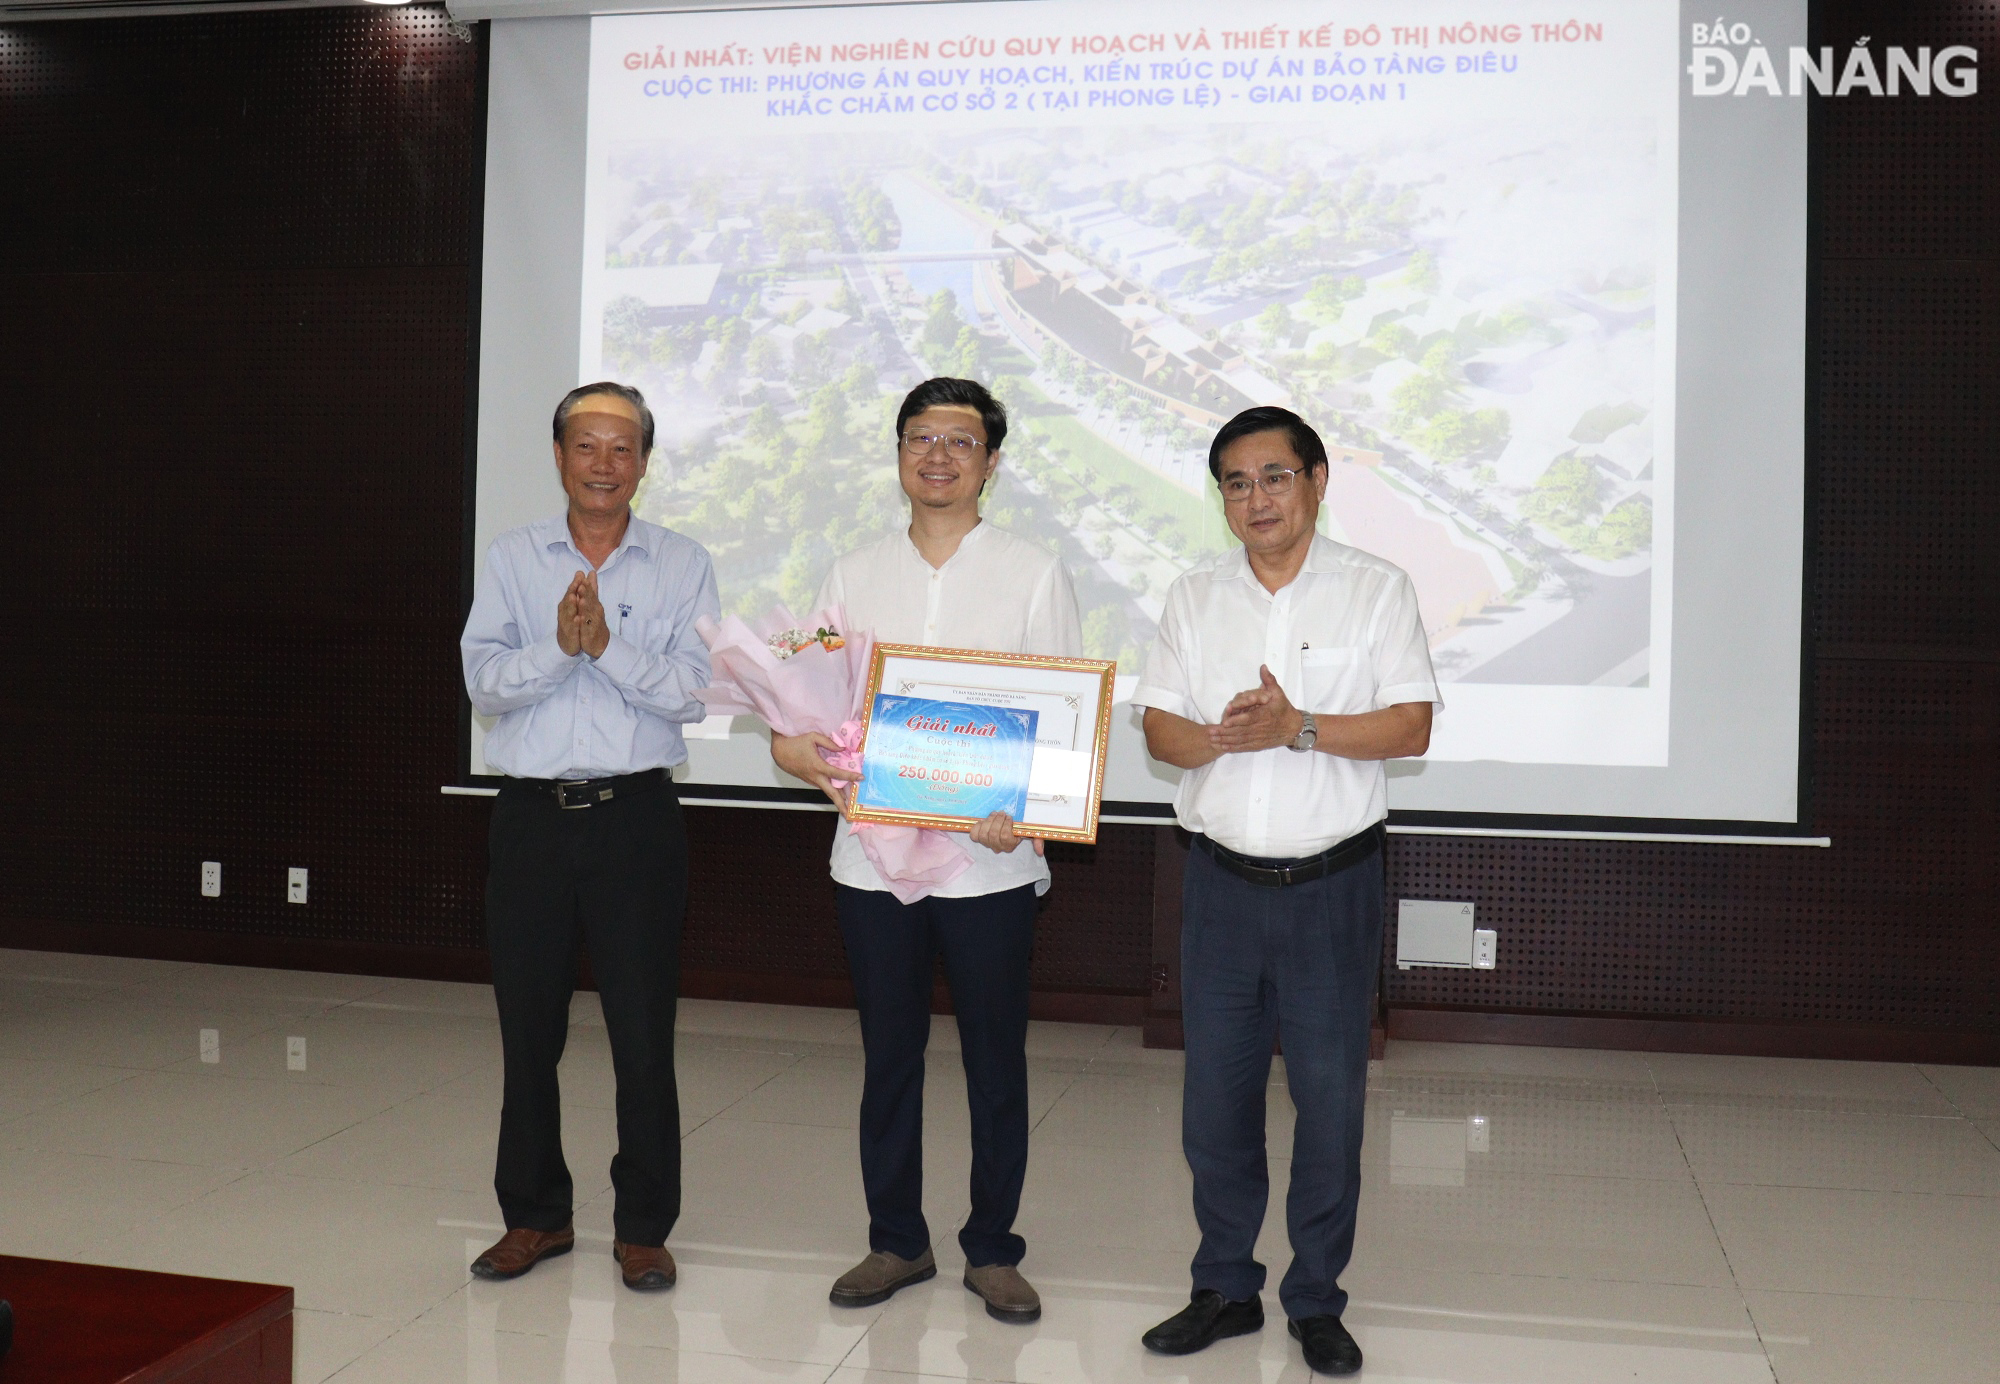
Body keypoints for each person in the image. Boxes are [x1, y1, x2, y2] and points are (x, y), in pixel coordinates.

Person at [1130, 407, 1439, 1376]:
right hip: (1219, 889)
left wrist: (1297, 726)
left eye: (1272, 476)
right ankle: (1222, 1284)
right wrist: (1226, 736)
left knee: (1328, 1102)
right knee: (1212, 1103)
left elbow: (1409, 727)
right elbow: (1158, 731)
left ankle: (1313, 1297)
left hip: (1328, 890)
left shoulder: (1374, 590)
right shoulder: (1191, 597)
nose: (1252, 498)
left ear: (1314, 481)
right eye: (1232, 481)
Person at [770, 377, 1083, 1324]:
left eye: (959, 439)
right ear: (898, 453)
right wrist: (804, 753)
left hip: (989, 862)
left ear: (991, 459)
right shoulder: (851, 571)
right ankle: (896, 1241)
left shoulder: (1033, 571)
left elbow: (1063, 727)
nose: (936, 455)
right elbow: (807, 708)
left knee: (996, 1060)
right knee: (888, 1054)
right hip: (871, 859)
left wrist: (1022, 812)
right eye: (919, 437)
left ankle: (992, 1248)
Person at [460, 382, 719, 1293]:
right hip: (531, 820)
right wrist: (557, 651)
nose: (604, 464)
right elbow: (485, 682)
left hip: (637, 819)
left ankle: (644, 1227)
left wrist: (605, 647)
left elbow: (694, 693)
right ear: (560, 455)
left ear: (644, 462)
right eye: (586, 445)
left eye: (623, 448)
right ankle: (535, 1216)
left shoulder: (682, 563)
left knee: (643, 1033)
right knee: (527, 1031)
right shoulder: (512, 557)